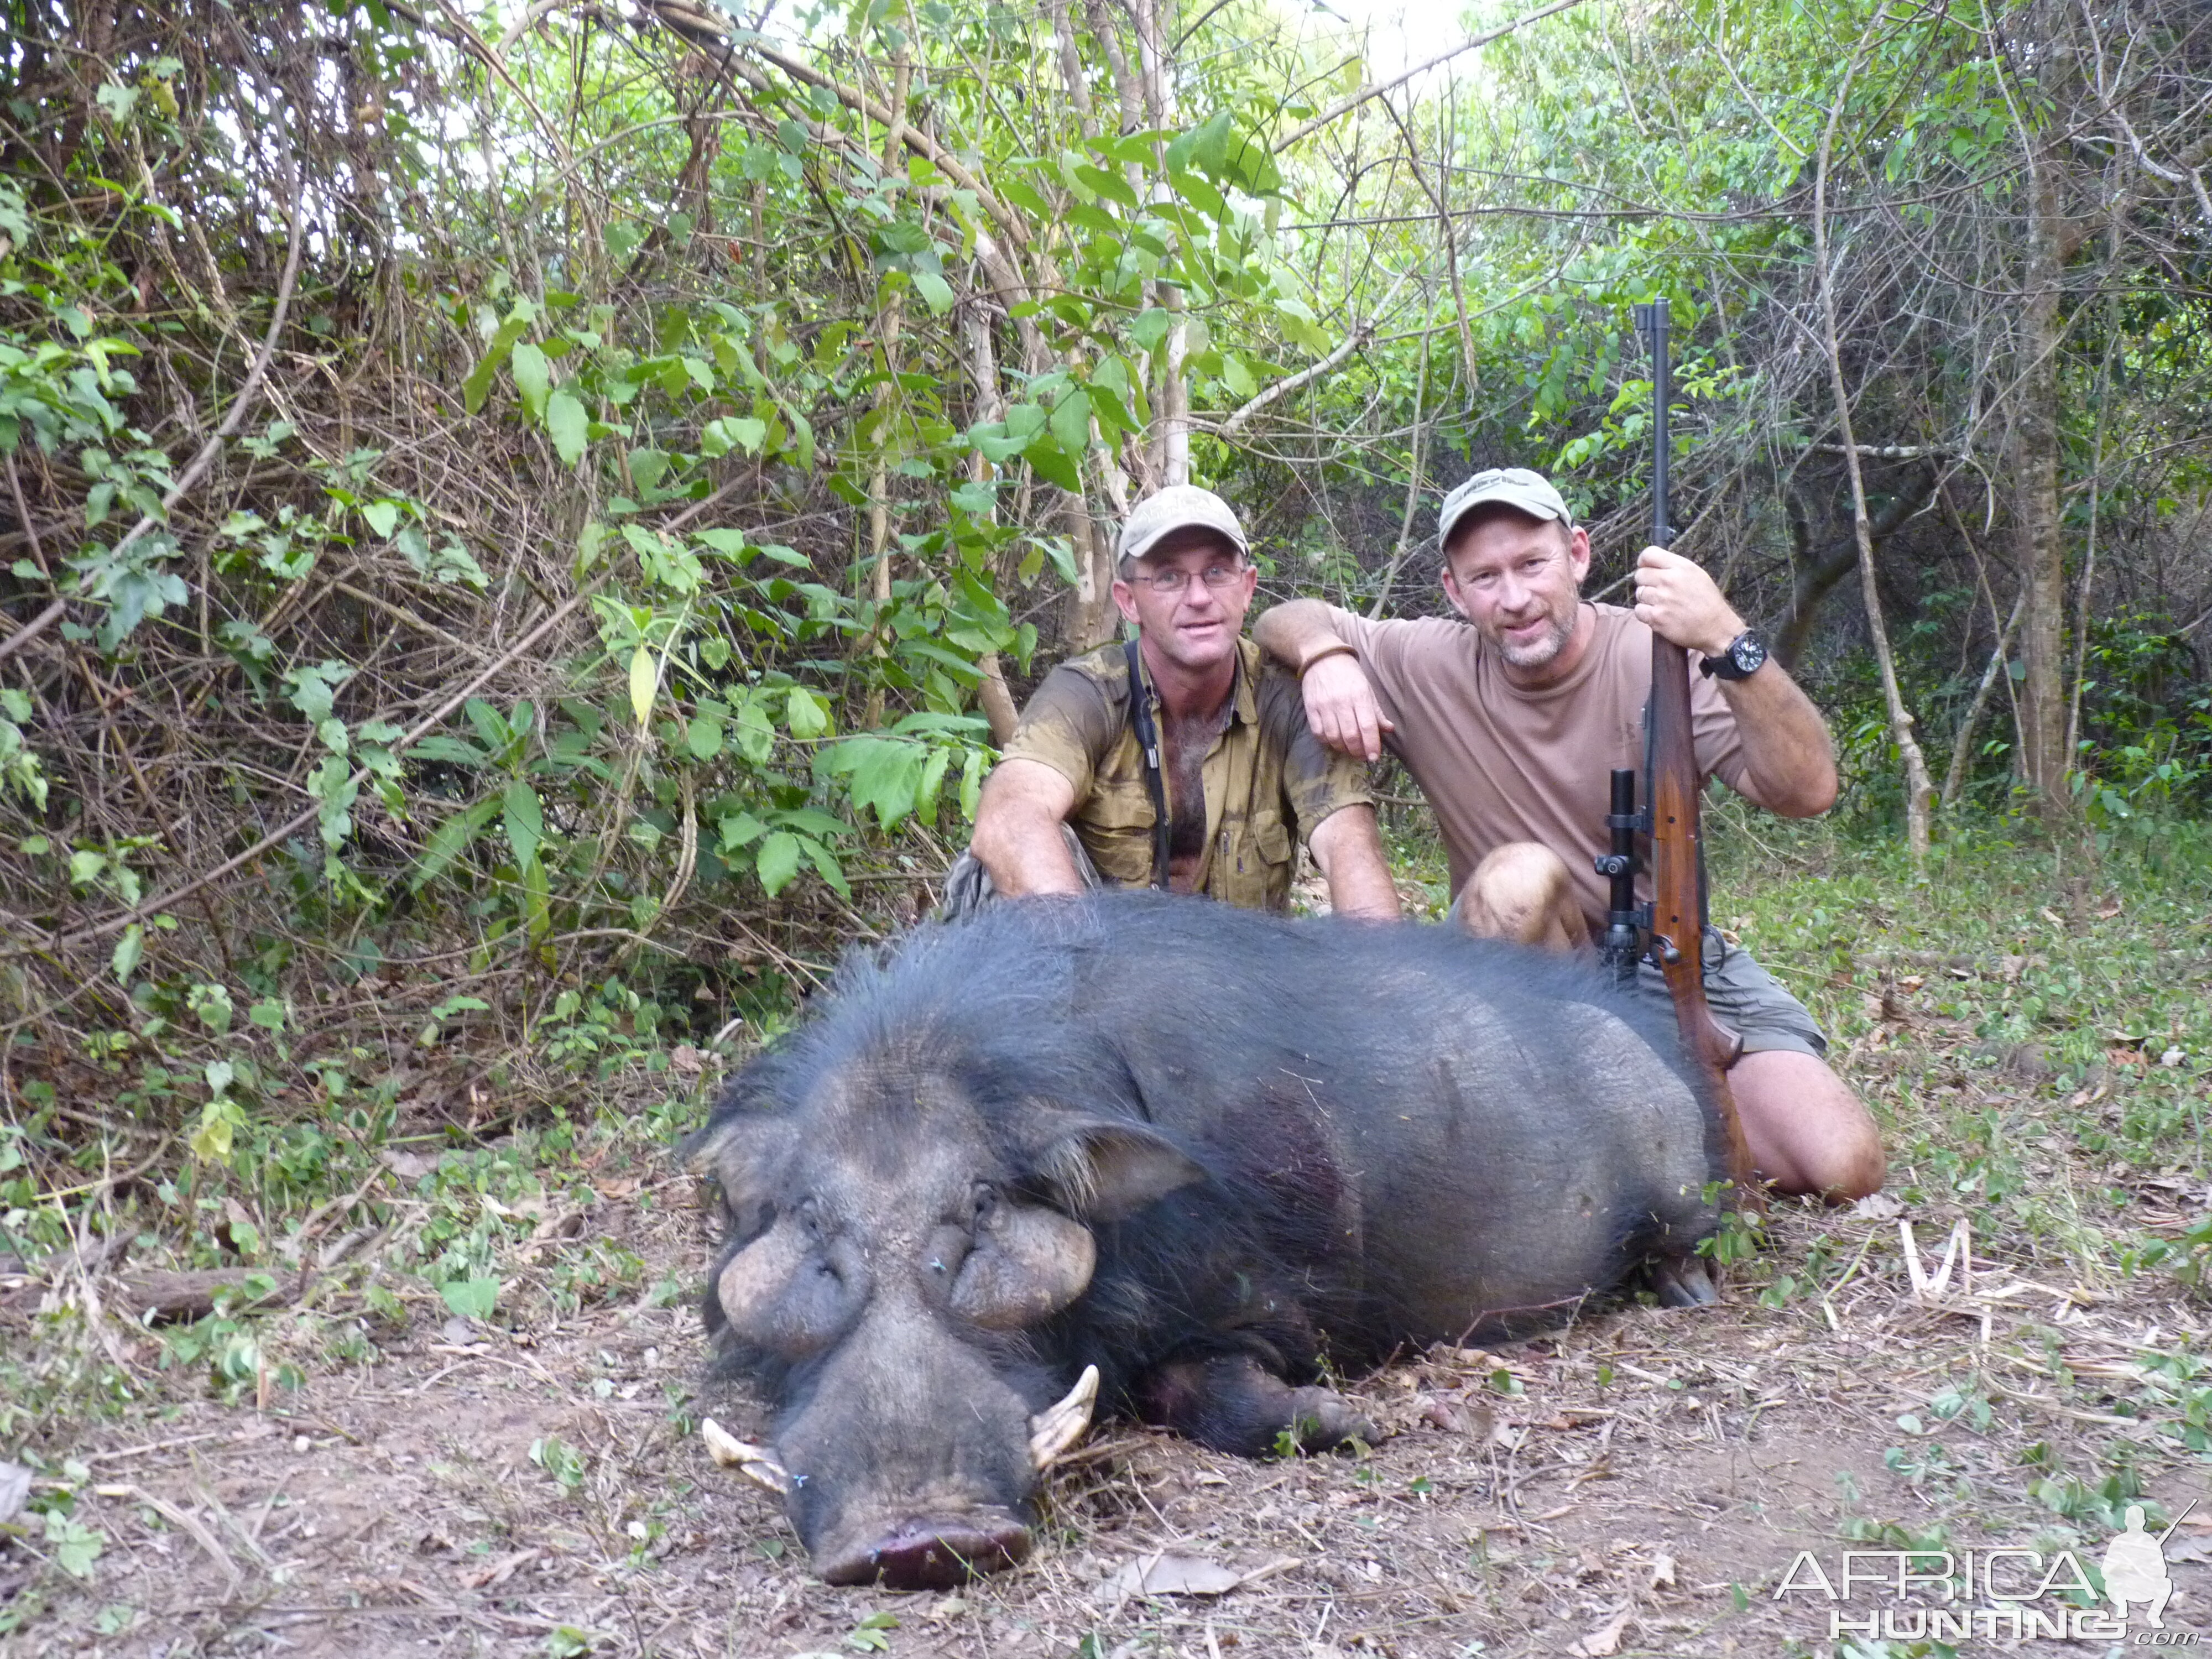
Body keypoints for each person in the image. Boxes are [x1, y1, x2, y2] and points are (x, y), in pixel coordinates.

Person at [1253, 466, 1884, 1199]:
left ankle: (1645, 1140)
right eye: (1484, 577)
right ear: (1455, 592)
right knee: (1517, 880)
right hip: (1524, 984)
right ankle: (1597, 1148)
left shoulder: (1658, 656)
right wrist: (1327, 657)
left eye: (1532, 564)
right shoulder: (1423, 660)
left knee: (1845, 1164)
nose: (1514, 598)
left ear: (1578, 554)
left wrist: (1727, 637)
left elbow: (1808, 791)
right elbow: (1284, 617)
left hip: (1666, 959)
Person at [956, 484, 1400, 919]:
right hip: (1101, 964)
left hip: (1240, 974)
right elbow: (1010, 816)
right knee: (988, 874)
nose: (1199, 598)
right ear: (1128, 601)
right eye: (1169, 577)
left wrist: (1382, 979)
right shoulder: (1089, 692)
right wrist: (1087, 963)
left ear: (1247, 588)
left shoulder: (1285, 701)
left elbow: (1348, 844)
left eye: (1217, 572)